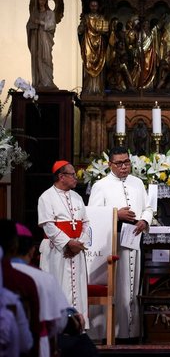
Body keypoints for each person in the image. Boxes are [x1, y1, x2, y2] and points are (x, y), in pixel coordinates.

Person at [88, 146, 153, 341]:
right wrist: (117, 214)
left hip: (134, 237)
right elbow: (93, 215)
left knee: (132, 288)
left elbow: (148, 207)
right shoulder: (101, 185)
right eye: (119, 163)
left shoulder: (138, 183)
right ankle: (112, 333)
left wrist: (145, 220)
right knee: (118, 287)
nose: (124, 167)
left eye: (126, 162)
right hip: (112, 241)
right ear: (110, 165)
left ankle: (131, 333)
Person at [11, 222, 95, 357]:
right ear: (32, 250)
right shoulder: (42, 278)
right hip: (35, 346)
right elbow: (60, 320)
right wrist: (74, 319)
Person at [37, 161, 90, 330]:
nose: (76, 177)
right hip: (56, 252)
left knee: (78, 290)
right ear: (61, 177)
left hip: (76, 251)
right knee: (58, 288)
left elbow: (86, 223)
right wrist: (68, 243)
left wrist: (79, 243)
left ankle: (79, 327)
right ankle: (58, 329)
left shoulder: (77, 197)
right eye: (73, 174)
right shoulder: (46, 197)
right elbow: (48, 225)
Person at [26, 0, 63, 90]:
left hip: (45, 40)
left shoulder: (50, 13)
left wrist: (40, 22)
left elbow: (52, 26)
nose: (41, 2)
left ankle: (47, 82)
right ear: (37, 0)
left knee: (46, 59)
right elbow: (28, 25)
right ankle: (38, 82)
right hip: (36, 39)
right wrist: (32, 25)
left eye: (43, 0)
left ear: (46, 1)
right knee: (37, 58)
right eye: (40, 0)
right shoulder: (34, 13)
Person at [77, 0, 109, 94]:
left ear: (98, 7)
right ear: (89, 6)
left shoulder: (101, 18)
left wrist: (103, 32)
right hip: (88, 42)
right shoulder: (86, 17)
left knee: (99, 64)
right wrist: (82, 27)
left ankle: (98, 88)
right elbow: (80, 31)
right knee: (88, 63)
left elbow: (106, 32)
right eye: (92, 6)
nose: (94, 8)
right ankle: (89, 88)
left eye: (95, 6)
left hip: (99, 44)